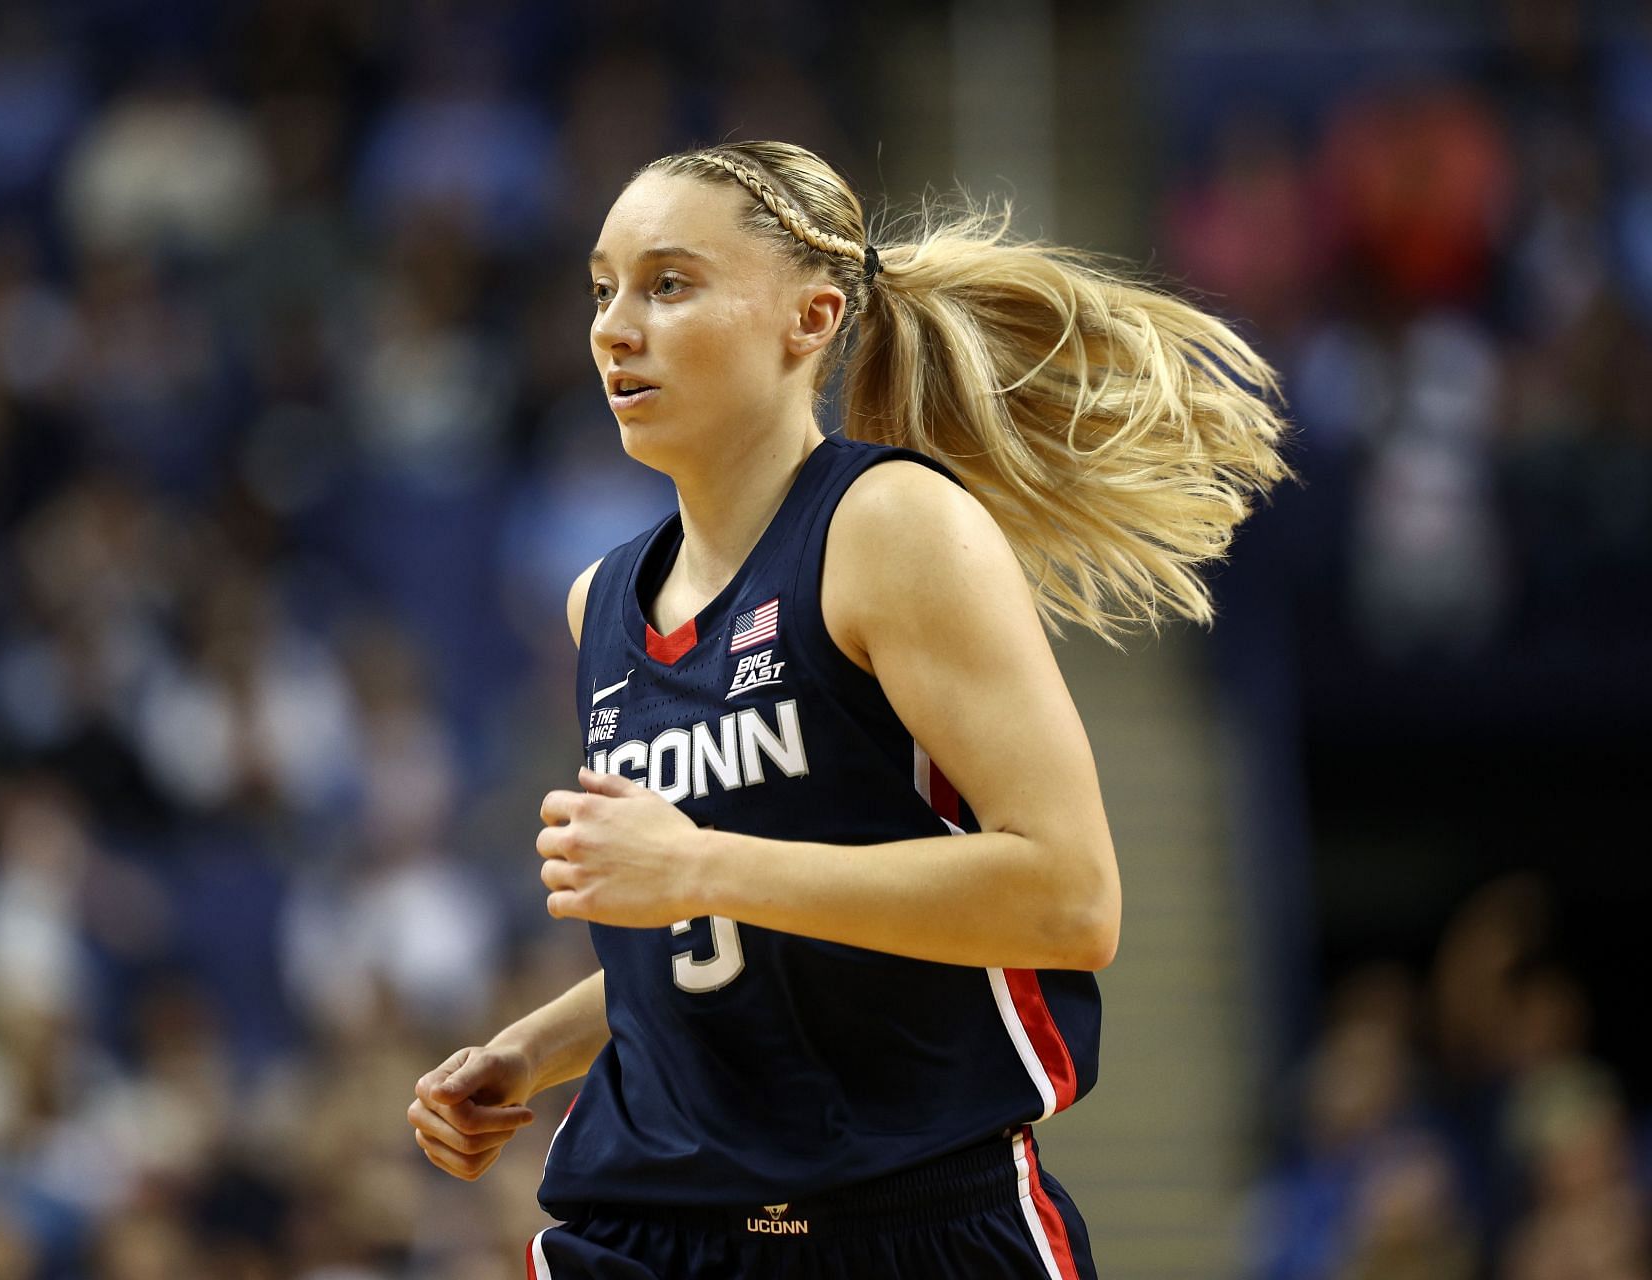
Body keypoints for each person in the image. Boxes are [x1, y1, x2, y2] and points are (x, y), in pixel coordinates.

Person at [407, 140, 1292, 1279]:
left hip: (906, 1225)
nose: (614, 327)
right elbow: (723, 935)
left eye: (668, 284)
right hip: (650, 1227)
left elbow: (1070, 898)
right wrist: (530, 1054)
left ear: (811, 318)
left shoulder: (892, 527)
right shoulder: (602, 606)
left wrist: (701, 866)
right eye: (602, 288)